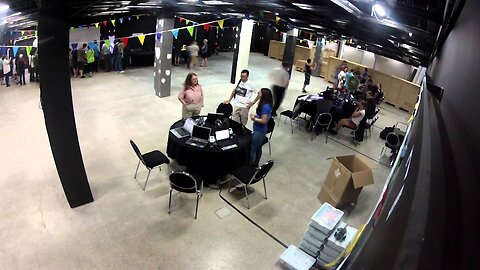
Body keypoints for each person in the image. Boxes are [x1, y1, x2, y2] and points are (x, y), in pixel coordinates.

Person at [249, 88, 273, 167]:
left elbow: (263, 121)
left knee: (253, 148)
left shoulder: (266, 107)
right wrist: (257, 116)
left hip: (260, 131)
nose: (258, 93)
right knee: (258, 147)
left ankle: (250, 165)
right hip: (258, 129)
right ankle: (256, 163)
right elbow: (262, 116)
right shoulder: (264, 104)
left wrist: (254, 118)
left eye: (260, 93)